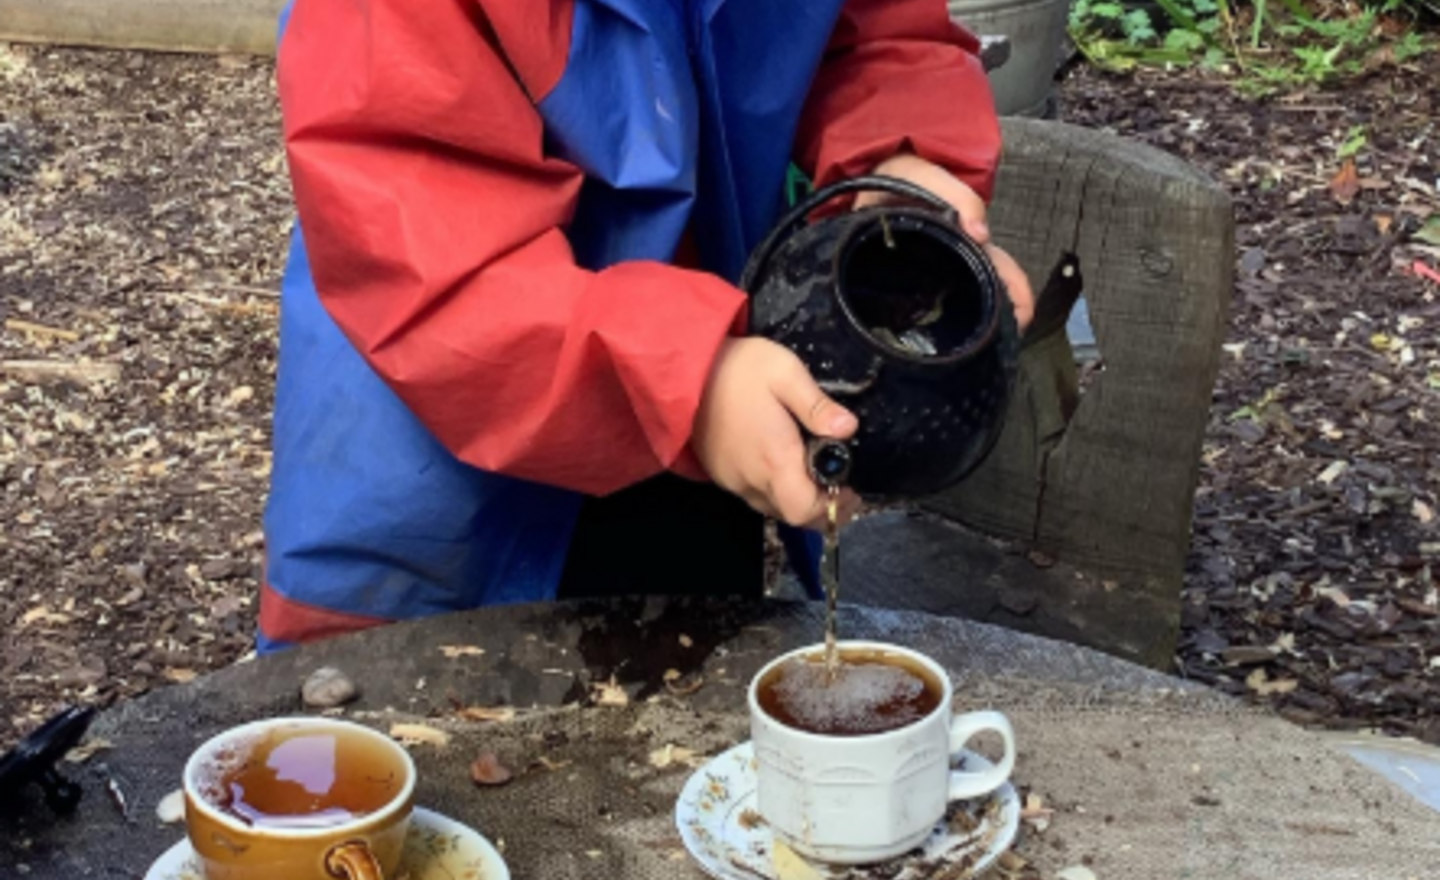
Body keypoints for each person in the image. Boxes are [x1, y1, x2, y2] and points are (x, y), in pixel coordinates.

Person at [257, 0, 1035, 653]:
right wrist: (686, 379)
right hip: (450, 431)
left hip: (710, 378)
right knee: (434, 756)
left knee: (678, 700)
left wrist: (900, 151)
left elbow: (869, 27)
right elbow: (423, 245)